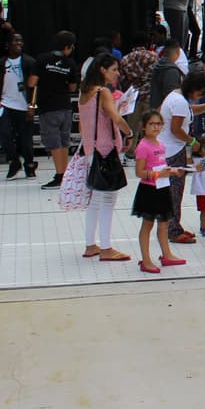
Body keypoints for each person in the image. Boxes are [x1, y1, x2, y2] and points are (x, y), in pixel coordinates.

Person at [79, 55, 134, 263]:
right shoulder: (103, 92)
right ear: (102, 70)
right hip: (106, 150)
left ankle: (90, 244)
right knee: (109, 199)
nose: (117, 73)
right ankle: (106, 247)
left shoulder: (85, 93)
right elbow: (115, 117)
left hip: (91, 149)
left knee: (95, 199)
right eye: (114, 69)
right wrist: (129, 133)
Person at [157, 71, 205, 245]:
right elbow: (176, 129)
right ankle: (173, 230)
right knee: (174, 192)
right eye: (200, 92)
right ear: (193, 88)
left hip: (170, 149)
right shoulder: (179, 102)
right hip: (172, 152)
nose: (200, 96)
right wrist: (194, 143)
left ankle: (174, 225)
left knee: (174, 191)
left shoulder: (177, 97)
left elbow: (191, 111)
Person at [131, 110, 187, 274]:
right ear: (144, 127)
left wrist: (172, 171)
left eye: (159, 124)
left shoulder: (160, 145)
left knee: (164, 223)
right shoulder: (143, 146)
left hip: (162, 187)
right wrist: (157, 174)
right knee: (147, 224)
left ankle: (166, 254)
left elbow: (161, 167)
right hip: (149, 190)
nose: (156, 127)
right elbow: (139, 172)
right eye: (152, 124)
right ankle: (146, 259)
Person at [30, 30, 80, 190]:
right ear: (68, 47)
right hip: (65, 106)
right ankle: (65, 174)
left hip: (48, 106)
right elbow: (73, 86)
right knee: (64, 141)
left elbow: (32, 82)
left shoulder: (42, 59)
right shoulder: (70, 63)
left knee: (53, 142)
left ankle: (59, 176)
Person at [0, 32, 38, 180]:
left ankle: (29, 164)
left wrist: (32, 106)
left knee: (26, 139)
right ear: (8, 44)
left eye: (21, 41)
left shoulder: (29, 62)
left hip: (24, 105)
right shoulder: (0, 64)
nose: (19, 43)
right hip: (6, 104)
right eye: (15, 41)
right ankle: (14, 161)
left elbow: (35, 87)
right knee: (4, 134)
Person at [148, 41, 184, 109]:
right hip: (164, 112)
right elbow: (171, 97)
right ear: (178, 52)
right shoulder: (171, 70)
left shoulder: (158, 64)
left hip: (155, 107)